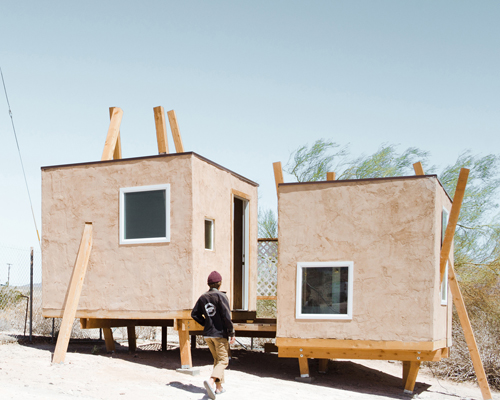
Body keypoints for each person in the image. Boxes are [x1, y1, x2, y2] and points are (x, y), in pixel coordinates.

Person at [191, 271, 236, 399]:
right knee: (224, 360)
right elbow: (227, 316)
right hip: (219, 334)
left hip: (208, 334)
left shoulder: (203, 297)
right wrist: (231, 331)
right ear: (220, 283)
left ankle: (219, 388)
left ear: (208, 284)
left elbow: (194, 314)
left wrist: (206, 323)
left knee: (217, 360)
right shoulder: (221, 296)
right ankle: (211, 381)